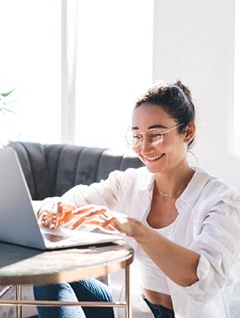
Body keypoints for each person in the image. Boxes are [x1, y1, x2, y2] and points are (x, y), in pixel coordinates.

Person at [34, 80, 240, 318]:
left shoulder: (222, 200)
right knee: (47, 276)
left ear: (188, 132)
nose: (144, 147)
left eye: (156, 135)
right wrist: (52, 209)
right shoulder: (128, 182)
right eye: (137, 136)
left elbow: (199, 278)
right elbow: (71, 202)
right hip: (136, 309)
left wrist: (138, 230)